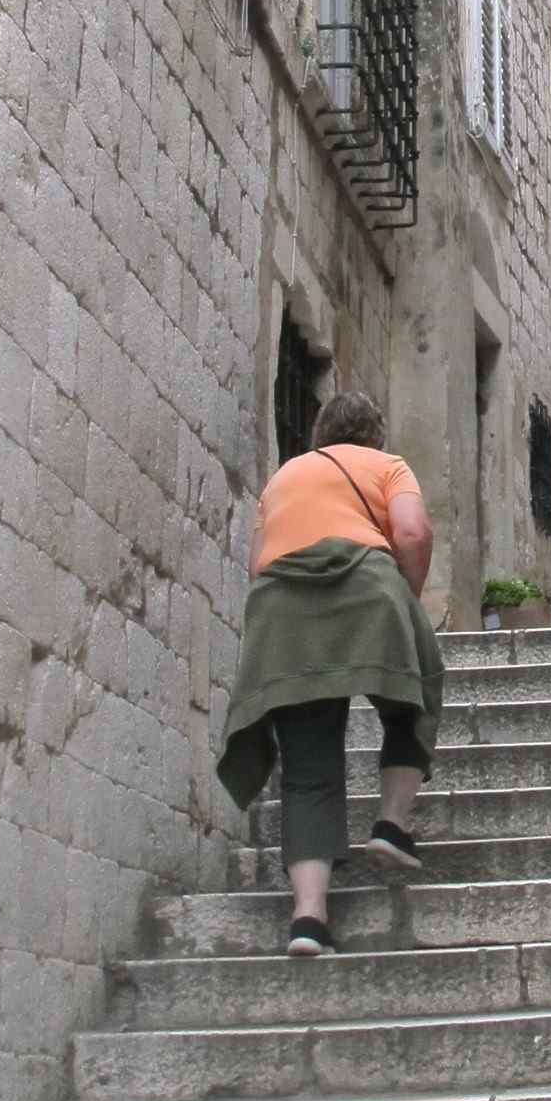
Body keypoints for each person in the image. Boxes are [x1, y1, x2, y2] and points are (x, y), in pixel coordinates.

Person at [216, 392, 444, 956]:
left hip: (282, 606)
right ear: (376, 434)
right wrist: (403, 606)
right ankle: (391, 824)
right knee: (414, 692)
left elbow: (256, 564)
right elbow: (412, 533)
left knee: (308, 763)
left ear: (319, 432)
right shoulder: (387, 466)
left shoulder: (284, 477)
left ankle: (309, 919)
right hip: (367, 584)